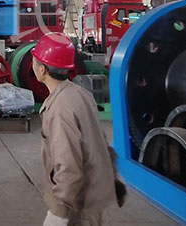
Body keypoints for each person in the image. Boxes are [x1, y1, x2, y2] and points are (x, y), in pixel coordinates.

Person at [32, 32, 118, 226]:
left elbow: (69, 167)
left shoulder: (59, 109)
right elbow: (100, 141)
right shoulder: (79, 93)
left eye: (35, 61)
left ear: (42, 69)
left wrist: (58, 213)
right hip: (92, 193)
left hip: (77, 204)